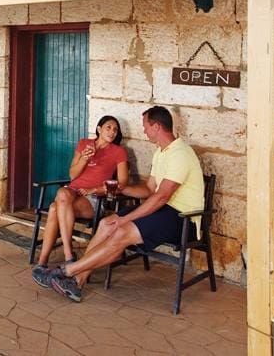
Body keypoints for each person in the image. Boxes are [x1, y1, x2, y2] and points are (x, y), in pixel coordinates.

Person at [48, 105, 204, 302]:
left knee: (121, 230)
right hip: (162, 209)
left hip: (182, 218)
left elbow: (161, 196)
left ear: (156, 126)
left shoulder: (180, 153)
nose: (144, 131)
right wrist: (121, 188)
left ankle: (68, 270)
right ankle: (77, 281)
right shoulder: (161, 153)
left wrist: (127, 219)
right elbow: (149, 190)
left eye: (146, 126)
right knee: (107, 224)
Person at [31, 115, 129, 288]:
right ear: (99, 129)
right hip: (72, 192)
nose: (112, 132)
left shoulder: (118, 152)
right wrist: (84, 158)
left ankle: (44, 262)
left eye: (115, 129)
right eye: (108, 127)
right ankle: (67, 257)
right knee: (62, 194)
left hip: (93, 198)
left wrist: (97, 189)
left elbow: (122, 183)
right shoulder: (84, 143)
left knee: (54, 209)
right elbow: (72, 175)